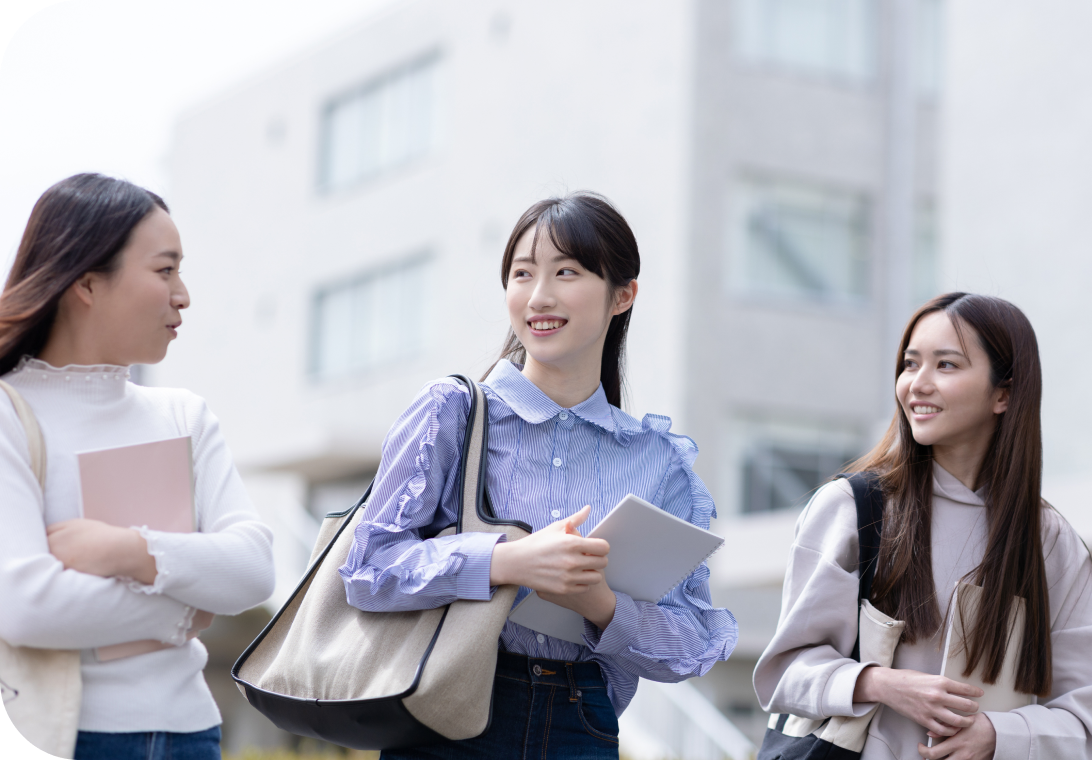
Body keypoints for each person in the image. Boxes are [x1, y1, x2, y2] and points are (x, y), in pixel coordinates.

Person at [338, 192, 738, 758]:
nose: (539, 296)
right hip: (449, 708)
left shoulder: (656, 459)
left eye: (566, 271)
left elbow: (693, 644)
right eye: (522, 274)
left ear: (623, 295)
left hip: (582, 724)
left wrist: (600, 604)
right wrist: (505, 561)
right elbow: (366, 568)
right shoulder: (453, 413)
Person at [0, 174, 275, 760]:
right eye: (164, 270)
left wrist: (130, 552)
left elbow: (252, 568)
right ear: (87, 281)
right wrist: (181, 608)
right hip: (64, 737)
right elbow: (27, 604)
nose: (184, 295)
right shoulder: (7, 411)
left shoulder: (183, 414)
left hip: (190, 735)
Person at [754, 293, 1092, 760]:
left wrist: (997, 735)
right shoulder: (855, 508)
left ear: (1004, 394)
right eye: (911, 364)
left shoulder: (1050, 541)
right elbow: (783, 672)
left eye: (947, 365)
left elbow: (1082, 717)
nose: (917, 384)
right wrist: (883, 684)